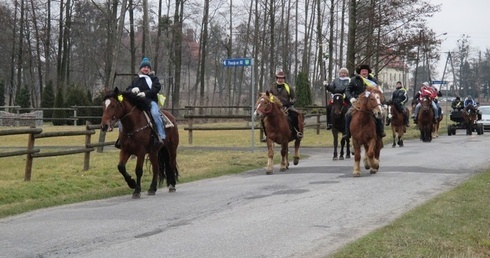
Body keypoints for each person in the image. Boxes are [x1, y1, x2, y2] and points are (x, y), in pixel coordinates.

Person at [127, 57, 166, 144]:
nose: (146, 69)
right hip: (137, 103)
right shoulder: (136, 79)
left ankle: (161, 135)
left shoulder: (154, 78)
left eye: (148, 67)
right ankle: (122, 137)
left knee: (155, 114)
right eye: (144, 67)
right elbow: (128, 89)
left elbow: (156, 88)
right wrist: (132, 90)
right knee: (125, 114)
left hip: (150, 101)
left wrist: (145, 93)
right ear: (141, 68)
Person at [342, 64, 385, 140]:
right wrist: (351, 98)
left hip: (370, 103)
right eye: (362, 71)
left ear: (368, 72)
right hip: (357, 102)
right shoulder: (354, 80)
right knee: (348, 114)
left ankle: (380, 131)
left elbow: (378, 91)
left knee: (378, 114)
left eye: (365, 71)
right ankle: (347, 133)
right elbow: (347, 91)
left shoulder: (373, 80)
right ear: (360, 72)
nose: (364, 72)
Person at [269, 70, 303, 139]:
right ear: (276, 78)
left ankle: (297, 132)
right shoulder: (272, 87)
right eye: (279, 78)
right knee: (264, 118)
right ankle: (267, 134)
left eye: (282, 78)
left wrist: (290, 103)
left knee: (295, 115)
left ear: (284, 79)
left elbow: (294, 97)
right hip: (275, 107)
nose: (280, 79)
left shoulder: (288, 87)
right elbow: (269, 96)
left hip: (286, 107)